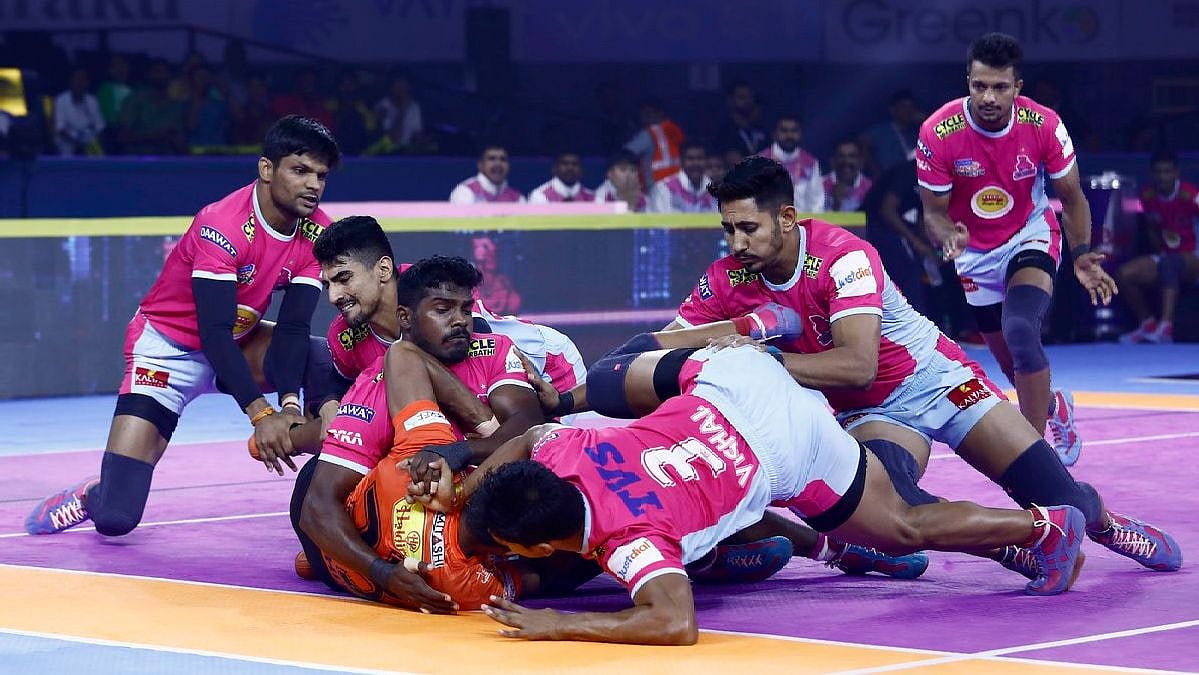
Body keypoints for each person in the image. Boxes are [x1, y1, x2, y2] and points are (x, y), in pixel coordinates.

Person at [663, 156, 1180, 577]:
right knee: (897, 512)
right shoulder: (726, 277)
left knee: (1059, 496)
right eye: (728, 230)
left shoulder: (843, 256)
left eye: (748, 228)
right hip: (870, 414)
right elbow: (669, 342)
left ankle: (1105, 523)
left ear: (786, 218)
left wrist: (763, 359)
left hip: (937, 381)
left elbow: (858, 366)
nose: (737, 244)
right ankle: (1010, 546)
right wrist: (635, 362)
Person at [448, 343, 1087, 644]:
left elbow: (675, 621)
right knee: (621, 379)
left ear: (541, 546)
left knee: (904, 524)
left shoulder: (631, 544)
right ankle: (838, 548)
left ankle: (1042, 527)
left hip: (783, 443)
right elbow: (527, 437)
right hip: (731, 374)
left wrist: (559, 624)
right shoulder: (566, 454)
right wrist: (468, 485)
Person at [26, 115, 343, 536]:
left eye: (321, 175)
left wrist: (288, 407)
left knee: (322, 354)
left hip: (241, 342)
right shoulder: (222, 224)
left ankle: (336, 459)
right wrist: (261, 414)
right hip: (168, 352)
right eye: (300, 170)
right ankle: (91, 494)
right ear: (267, 169)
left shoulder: (319, 232)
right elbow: (212, 333)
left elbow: (293, 328)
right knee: (117, 517)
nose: (313, 185)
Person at [292, 256, 552, 611]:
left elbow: (530, 424)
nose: (460, 320)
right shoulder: (377, 384)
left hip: (474, 503)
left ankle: (321, 560)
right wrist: (384, 573)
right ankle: (321, 559)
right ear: (405, 317)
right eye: (443, 310)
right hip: (409, 526)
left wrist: (460, 452)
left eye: (466, 309)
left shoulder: (494, 350)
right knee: (316, 477)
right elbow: (317, 506)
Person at [916, 32, 1116, 466]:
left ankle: (1036, 462)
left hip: (1029, 234)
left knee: (1022, 330)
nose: (988, 97)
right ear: (968, 82)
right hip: (973, 254)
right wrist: (947, 235)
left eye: (1000, 87)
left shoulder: (1044, 124)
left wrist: (1082, 253)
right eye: (979, 86)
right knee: (1013, 363)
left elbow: (1073, 198)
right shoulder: (938, 131)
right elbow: (933, 212)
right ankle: (1055, 409)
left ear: (1017, 87)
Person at [1118, 150, 1199, 344]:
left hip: (1194, 256)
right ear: (1152, 174)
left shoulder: (1191, 196)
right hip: (1166, 256)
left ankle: (1166, 328)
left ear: (1176, 173)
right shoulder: (1147, 196)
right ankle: (1147, 323)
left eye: (1167, 172)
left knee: (1169, 264)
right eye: (1159, 172)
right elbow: (1153, 228)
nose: (1163, 177)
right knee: (1124, 274)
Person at [759, 115, 823, 213]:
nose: (789, 135)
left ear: (800, 134)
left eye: (794, 131)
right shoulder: (760, 161)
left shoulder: (810, 163)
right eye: (784, 131)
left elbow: (817, 202)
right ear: (774, 134)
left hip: (801, 220)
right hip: (770, 220)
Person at [624, 98, 685, 186]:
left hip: (656, 187)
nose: (643, 117)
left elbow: (624, 155)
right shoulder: (676, 130)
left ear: (658, 113)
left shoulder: (648, 134)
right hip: (678, 187)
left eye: (646, 113)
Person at [648, 141, 717, 213]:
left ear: (706, 161)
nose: (696, 163)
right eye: (690, 159)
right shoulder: (663, 188)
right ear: (681, 161)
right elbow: (660, 219)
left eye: (700, 158)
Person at [53, 66, 104, 156]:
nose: (80, 83)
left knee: (98, 151)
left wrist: (91, 140)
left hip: (89, 141)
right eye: (78, 80)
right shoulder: (61, 100)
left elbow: (99, 126)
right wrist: (77, 142)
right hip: (68, 141)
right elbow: (60, 128)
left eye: (83, 80)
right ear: (71, 82)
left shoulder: (92, 100)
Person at [449, 144, 524, 203]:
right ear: (480, 165)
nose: (498, 164)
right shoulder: (464, 192)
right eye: (492, 158)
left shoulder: (517, 198)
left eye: (503, 159)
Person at [822, 139, 872, 212]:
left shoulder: (871, 189)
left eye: (852, 156)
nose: (846, 161)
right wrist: (836, 205)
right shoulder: (819, 186)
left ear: (861, 162)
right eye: (841, 156)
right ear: (832, 161)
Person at [528, 152, 595, 203]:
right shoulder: (540, 195)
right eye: (565, 163)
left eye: (575, 164)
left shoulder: (592, 198)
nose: (570, 168)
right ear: (554, 168)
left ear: (582, 170)